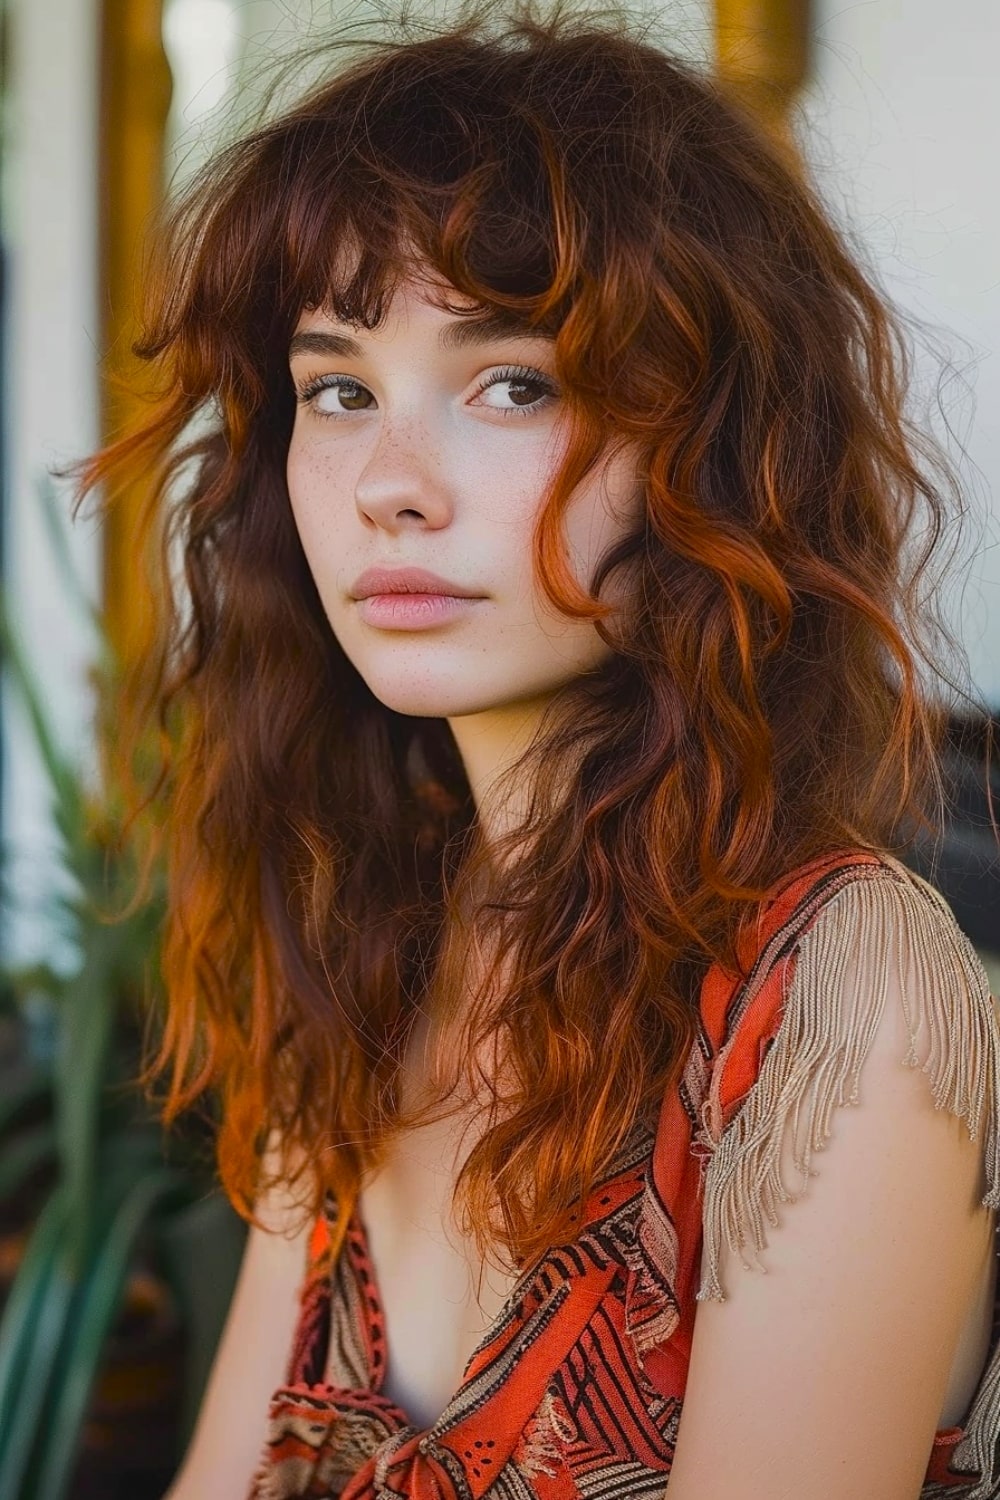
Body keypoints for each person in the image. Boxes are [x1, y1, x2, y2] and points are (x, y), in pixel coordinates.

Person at [75, 2, 1000, 1496]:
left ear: (709, 447)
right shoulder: (368, 927)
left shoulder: (840, 999)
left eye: (514, 382)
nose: (390, 484)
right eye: (339, 388)